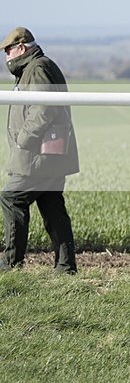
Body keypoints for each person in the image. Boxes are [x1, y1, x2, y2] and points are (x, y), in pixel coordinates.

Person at [0, 27, 79, 273]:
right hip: (49, 156)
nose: (6, 57)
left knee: (11, 198)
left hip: (38, 156)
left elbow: (43, 110)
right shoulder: (36, 67)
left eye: (8, 51)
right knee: (51, 206)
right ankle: (65, 267)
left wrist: (23, 141)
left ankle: (11, 264)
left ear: (22, 48)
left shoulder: (37, 69)